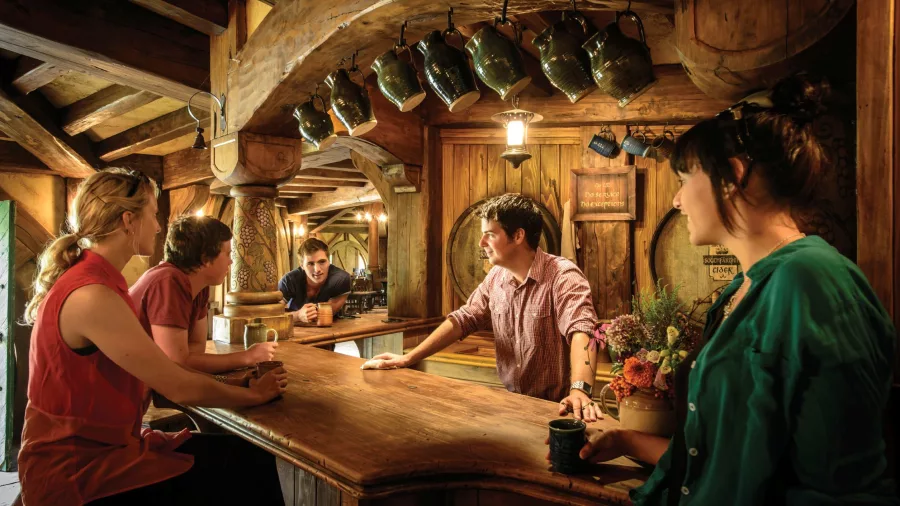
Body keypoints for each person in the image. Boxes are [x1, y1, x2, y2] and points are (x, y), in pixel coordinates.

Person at [575, 76, 898, 504]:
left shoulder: (813, 283)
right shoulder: (740, 289)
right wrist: (628, 441)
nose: (676, 200)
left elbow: (843, 488)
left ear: (732, 177)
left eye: (684, 178)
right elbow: (734, 456)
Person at [18, 169, 288, 506]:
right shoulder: (91, 294)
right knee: (244, 463)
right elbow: (176, 382)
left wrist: (239, 386)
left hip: (111, 448)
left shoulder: (101, 280)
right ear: (129, 221)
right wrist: (255, 396)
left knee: (244, 455)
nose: (159, 226)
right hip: (79, 470)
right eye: (153, 214)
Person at [368, 194, 602, 419]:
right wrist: (407, 359)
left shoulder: (563, 275)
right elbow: (464, 318)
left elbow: (583, 331)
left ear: (518, 235)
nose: (481, 243)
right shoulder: (496, 278)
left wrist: (580, 389)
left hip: (560, 409)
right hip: (513, 406)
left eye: (490, 234)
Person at [130, 215, 277, 373]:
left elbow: (196, 350)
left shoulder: (200, 286)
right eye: (227, 254)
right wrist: (247, 357)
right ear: (206, 259)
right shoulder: (168, 281)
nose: (231, 261)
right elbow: (176, 362)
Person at [279, 238, 351, 323]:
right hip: (295, 330)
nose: (317, 269)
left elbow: (323, 315)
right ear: (302, 266)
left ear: (329, 262)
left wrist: (292, 316)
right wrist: (297, 315)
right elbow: (271, 314)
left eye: (322, 262)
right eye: (310, 264)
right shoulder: (289, 280)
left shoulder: (341, 279)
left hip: (331, 329)